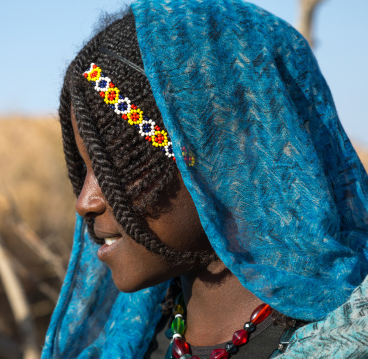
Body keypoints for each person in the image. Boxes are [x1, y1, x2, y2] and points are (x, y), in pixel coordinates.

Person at [43, 0, 368, 358]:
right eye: (85, 167)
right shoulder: (127, 341)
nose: (85, 201)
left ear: (222, 156)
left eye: (116, 164)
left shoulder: (351, 337)